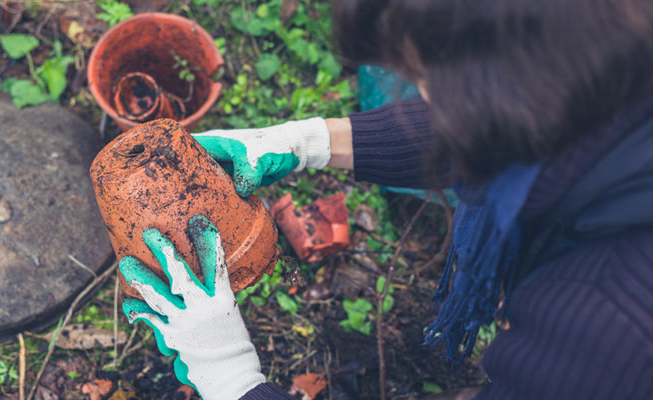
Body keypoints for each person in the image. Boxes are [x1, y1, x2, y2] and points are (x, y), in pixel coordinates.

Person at [118, 0, 653, 398]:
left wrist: (229, 375)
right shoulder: (621, 68)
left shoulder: (610, 329)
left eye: (428, 83)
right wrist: (307, 142)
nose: (423, 99)